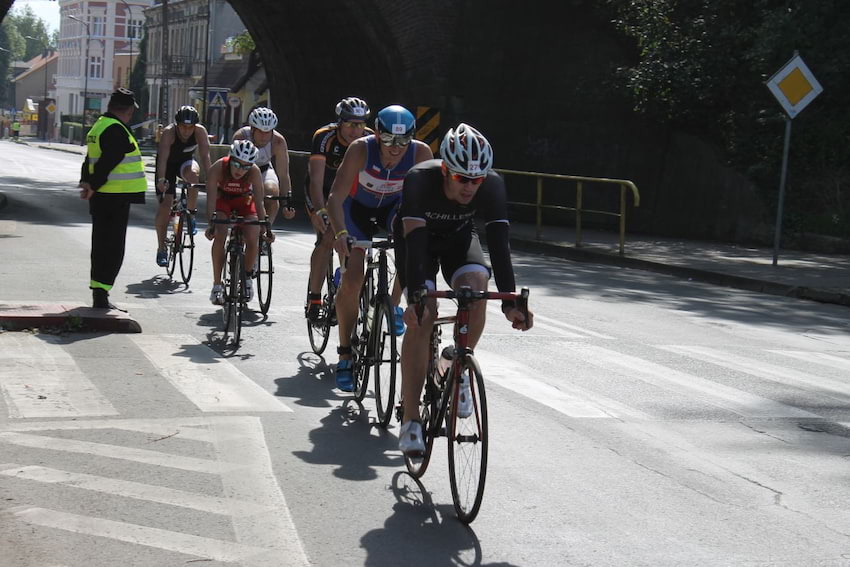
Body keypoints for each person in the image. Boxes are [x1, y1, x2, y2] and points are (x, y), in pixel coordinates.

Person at [394, 123, 534, 455]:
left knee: (477, 286)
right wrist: (416, 296)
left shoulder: (492, 185)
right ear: (445, 170)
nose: (470, 187)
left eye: (477, 180)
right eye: (461, 179)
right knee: (424, 315)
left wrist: (510, 301)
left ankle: (457, 362)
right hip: (418, 243)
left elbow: (499, 246)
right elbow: (414, 241)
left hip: (458, 238)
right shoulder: (419, 179)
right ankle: (411, 420)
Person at [327, 104, 433, 391]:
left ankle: (393, 306)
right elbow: (335, 197)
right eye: (387, 140)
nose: (395, 148)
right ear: (376, 135)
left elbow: (425, 204)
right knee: (352, 279)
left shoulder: (420, 153)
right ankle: (346, 353)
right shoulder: (361, 149)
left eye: (403, 141)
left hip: (392, 210)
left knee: (412, 240)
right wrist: (339, 233)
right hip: (357, 210)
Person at [304, 97, 374, 322]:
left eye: (361, 124)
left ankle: (342, 280)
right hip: (323, 190)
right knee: (327, 236)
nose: (356, 130)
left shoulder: (369, 139)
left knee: (355, 238)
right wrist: (320, 210)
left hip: (350, 192)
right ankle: (314, 297)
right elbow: (315, 181)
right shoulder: (324, 137)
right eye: (351, 124)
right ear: (340, 123)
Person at [78, 88, 147, 310]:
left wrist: (87, 182)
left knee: (101, 244)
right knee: (112, 247)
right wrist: (93, 185)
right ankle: (101, 295)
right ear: (128, 110)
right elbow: (107, 161)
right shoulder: (116, 129)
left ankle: (100, 293)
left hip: (105, 196)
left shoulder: (100, 125)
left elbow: (90, 158)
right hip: (113, 195)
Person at [204, 140, 286, 305]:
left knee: (253, 235)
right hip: (223, 201)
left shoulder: (254, 172)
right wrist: (211, 223)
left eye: (245, 166)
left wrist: (265, 227)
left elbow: (259, 201)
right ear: (230, 158)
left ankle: (247, 277)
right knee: (220, 234)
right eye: (236, 164)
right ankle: (217, 285)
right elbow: (211, 201)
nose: (239, 170)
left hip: (244, 201)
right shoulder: (218, 168)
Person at [153, 105, 211, 266]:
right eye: (183, 127)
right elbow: (163, 159)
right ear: (177, 124)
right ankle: (161, 248)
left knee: (193, 176)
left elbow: (205, 157)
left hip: (185, 162)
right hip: (167, 167)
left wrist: (211, 179)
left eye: (190, 127)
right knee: (165, 208)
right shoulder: (169, 133)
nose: (186, 131)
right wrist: (162, 180)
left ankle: (191, 215)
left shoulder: (200, 132)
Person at [232, 107, 293, 228]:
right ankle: (237, 231)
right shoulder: (240, 137)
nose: (264, 136)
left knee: (271, 192)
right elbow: (231, 166)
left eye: (268, 131)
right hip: (242, 170)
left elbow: (283, 175)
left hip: (264, 169)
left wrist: (287, 204)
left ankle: (265, 231)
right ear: (252, 129)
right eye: (260, 131)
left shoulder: (278, 142)